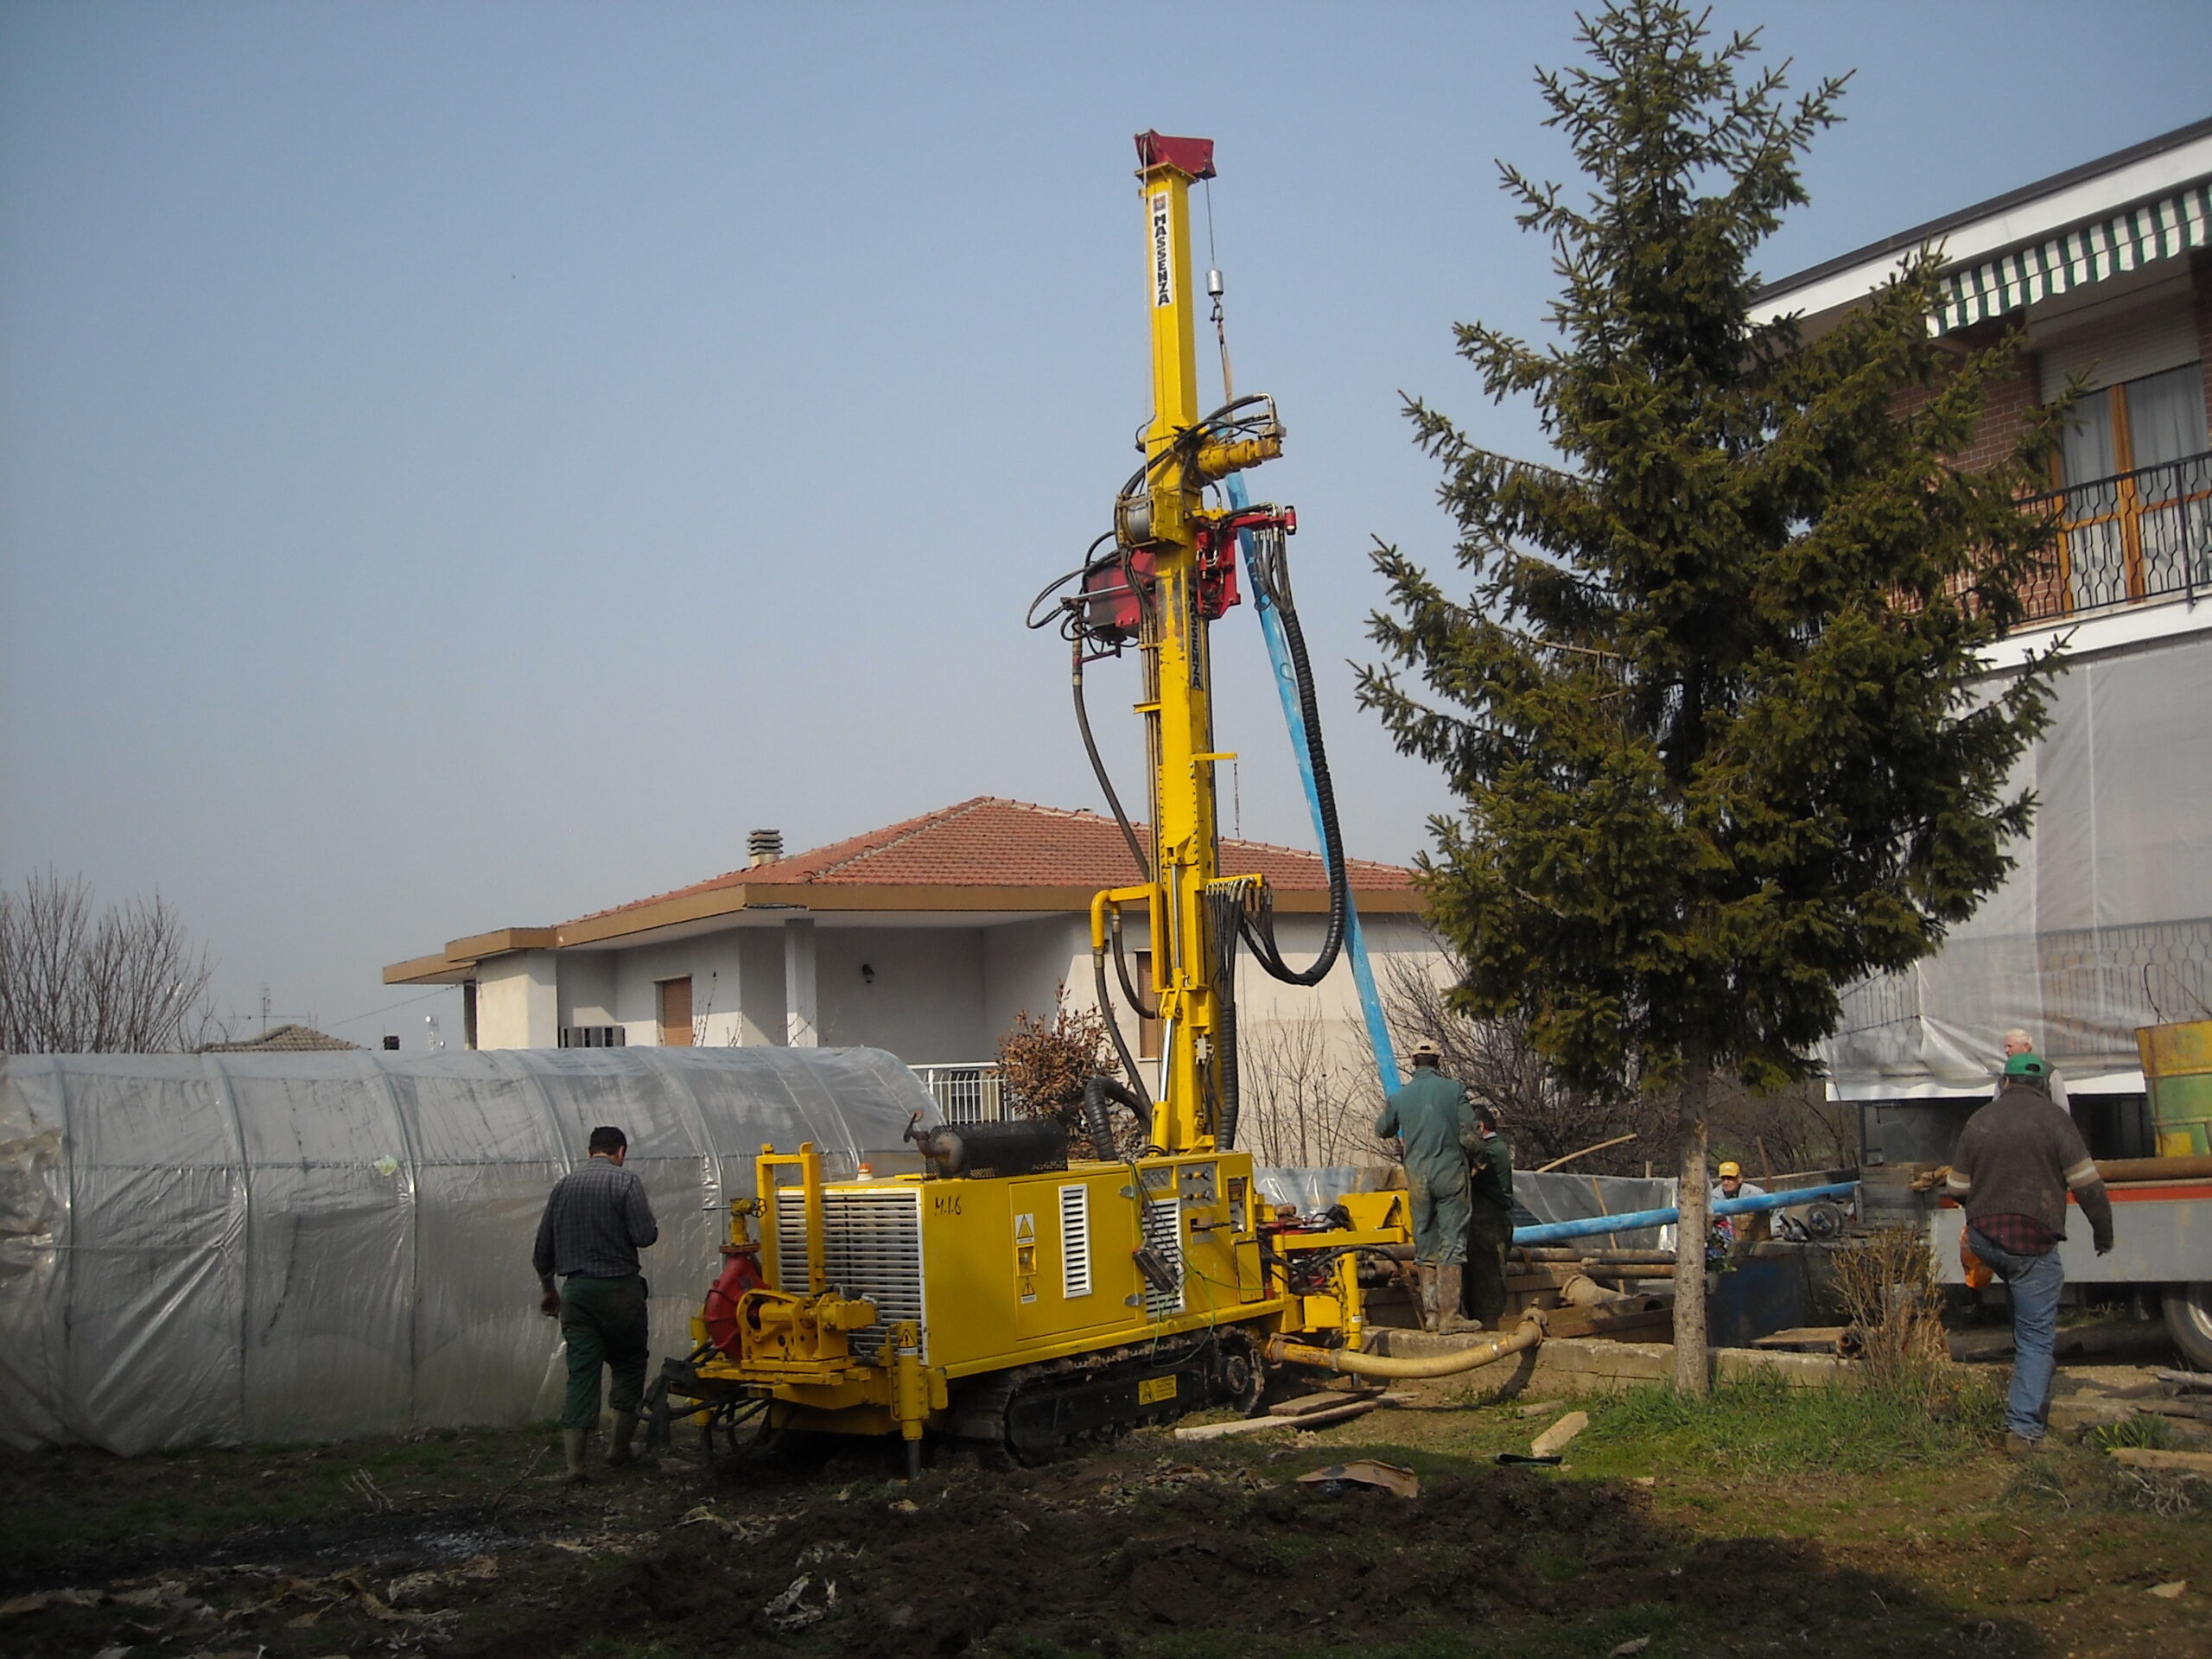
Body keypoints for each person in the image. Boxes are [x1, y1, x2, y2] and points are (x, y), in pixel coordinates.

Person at [1948, 1052, 2113, 1455]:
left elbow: (1955, 1187)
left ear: (2005, 1084)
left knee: (2020, 1299)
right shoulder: (2057, 1122)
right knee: (2037, 1339)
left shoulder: (1980, 1121)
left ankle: (2028, 1387)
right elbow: (2088, 1185)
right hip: (2033, 1242)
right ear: (2042, 1088)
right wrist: (2102, 1233)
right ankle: (2022, 1429)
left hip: (1986, 1238)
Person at [533, 1125, 660, 1483]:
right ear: (620, 1151)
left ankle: (575, 1467)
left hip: (577, 1292)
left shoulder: (564, 1186)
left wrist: (549, 1290)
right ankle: (619, 1450)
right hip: (620, 1290)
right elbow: (644, 1236)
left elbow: (543, 1249)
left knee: (582, 1373)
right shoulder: (626, 1183)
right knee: (630, 1364)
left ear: (589, 1152)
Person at [1374, 1040, 1483, 1332]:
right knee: (1452, 1243)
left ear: (1413, 1062)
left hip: (1418, 1178)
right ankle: (1451, 1316)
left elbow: (1382, 1129)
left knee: (1425, 1242)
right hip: (1450, 1176)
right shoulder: (1454, 1089)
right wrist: (1478, 1158)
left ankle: (1432, 1315)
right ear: (1438, 1061)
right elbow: (1470, 1132)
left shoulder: (1400, 1097)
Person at [1462, 1098, 1515, 1327]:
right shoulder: (1492, 1149)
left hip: (1490, 1225)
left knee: (1489, 1284)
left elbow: (1463, 1171)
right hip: (1483, 1226)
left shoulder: (1492, 1151)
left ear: (1481, 1127)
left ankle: (1490, 1330)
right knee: (1479, 1282)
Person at [1997, 1028, 2069, 1110]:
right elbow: (1996, 1107)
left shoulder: (2048, 1072)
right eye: (2005, 1046)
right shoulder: (2005, 1074)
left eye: (2010, 1046)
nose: (2006, 1050)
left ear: (2026, 1047)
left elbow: (2062, 1107)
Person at [1709, 1160, 1769, 1244]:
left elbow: (1776, 1210)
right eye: (1723, 1179)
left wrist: (1772, 1230)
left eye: (1730, 1178)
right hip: (1725, 1243)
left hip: (1752, 1241)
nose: (1726, 1183)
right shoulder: (1713, 1197)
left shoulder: (1755, 1193)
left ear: (1740, 1178)